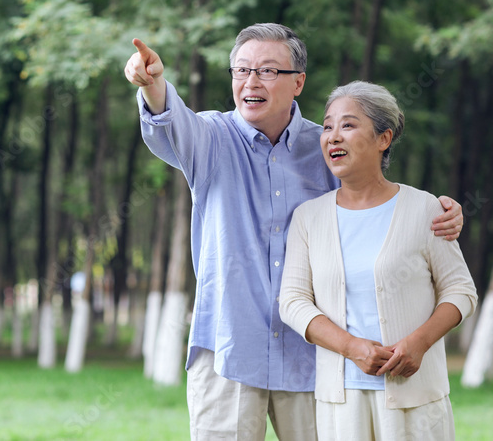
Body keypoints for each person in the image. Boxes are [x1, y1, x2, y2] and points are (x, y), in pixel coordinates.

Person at [124, 23, 465, 440]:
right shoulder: (211, 139)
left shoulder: (324, 145)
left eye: (267, 71)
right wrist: (154, 86)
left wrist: (439, 211)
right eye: (241, 70)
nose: (251, 81)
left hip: (317, 358)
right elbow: (170, 122)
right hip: (230, 350)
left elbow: (377, 206)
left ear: (298, 81)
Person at [279, 81, 477, 440]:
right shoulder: (309, 218)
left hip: (416, 397)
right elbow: (292, 302)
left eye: (348, 125)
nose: (333, 137)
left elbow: (461, 291)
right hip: (341, 401)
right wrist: (352, 348)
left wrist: (418, 343)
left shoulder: (425, 209)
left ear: (383, 139)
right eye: (327, 126)